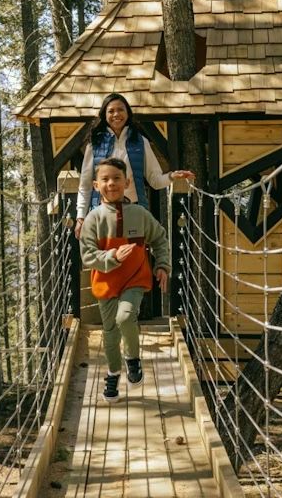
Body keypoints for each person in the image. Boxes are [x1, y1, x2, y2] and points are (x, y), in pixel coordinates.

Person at [79, 157, 171, 403]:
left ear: (127, 182)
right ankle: (113, 373)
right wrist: (112, 256)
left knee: (125, 316)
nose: (111, 183)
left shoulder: (139, 214)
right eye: (105, 179)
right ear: (96, 185)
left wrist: (162, 265)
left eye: (117, 178)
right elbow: (87, 255)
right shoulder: (93, 219)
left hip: (134, 278)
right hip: (106, 283)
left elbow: (159, 239)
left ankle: (132, 359)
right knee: (110, 332)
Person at [74, 93, 194, 239]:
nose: (116, 114)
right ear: (104, 115)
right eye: (111, 111)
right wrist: (80, 218)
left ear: (128, 113)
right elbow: (85, 185)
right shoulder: (95, 144)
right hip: (102, 213)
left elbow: (155, 180)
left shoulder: (141, 142)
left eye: (120, 109)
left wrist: (172, 176)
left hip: (133, 212)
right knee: (105, 252)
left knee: (133, 252)